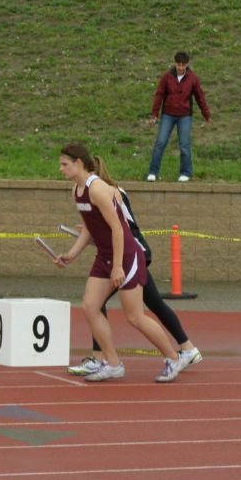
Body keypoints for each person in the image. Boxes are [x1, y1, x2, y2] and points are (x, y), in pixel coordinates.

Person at [55, 142, 183, 383]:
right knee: (90, 307)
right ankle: (113, 364)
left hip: (126, 255)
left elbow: (117, 228)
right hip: (104, 255)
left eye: (65, 164)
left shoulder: (98, 189)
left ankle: (173, 358)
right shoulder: (76, 191)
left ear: (79, 163)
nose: (60, 169)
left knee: (135, 317)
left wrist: (117, 266)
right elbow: (89, 229)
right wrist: (71, 254)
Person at [147, 51, 212, 182]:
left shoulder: (193, 78)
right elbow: (159, 95)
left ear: (187, 64)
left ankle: (185, 172)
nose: (181, 68)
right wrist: (154, 114)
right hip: (168, 114)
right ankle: (153, 172)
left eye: (183, 65)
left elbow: (200, 97)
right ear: (174, 63)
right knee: (160, 142)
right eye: (178, 65)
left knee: (184, 145)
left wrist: (206, 115)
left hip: (185, 116)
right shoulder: (166, 77)